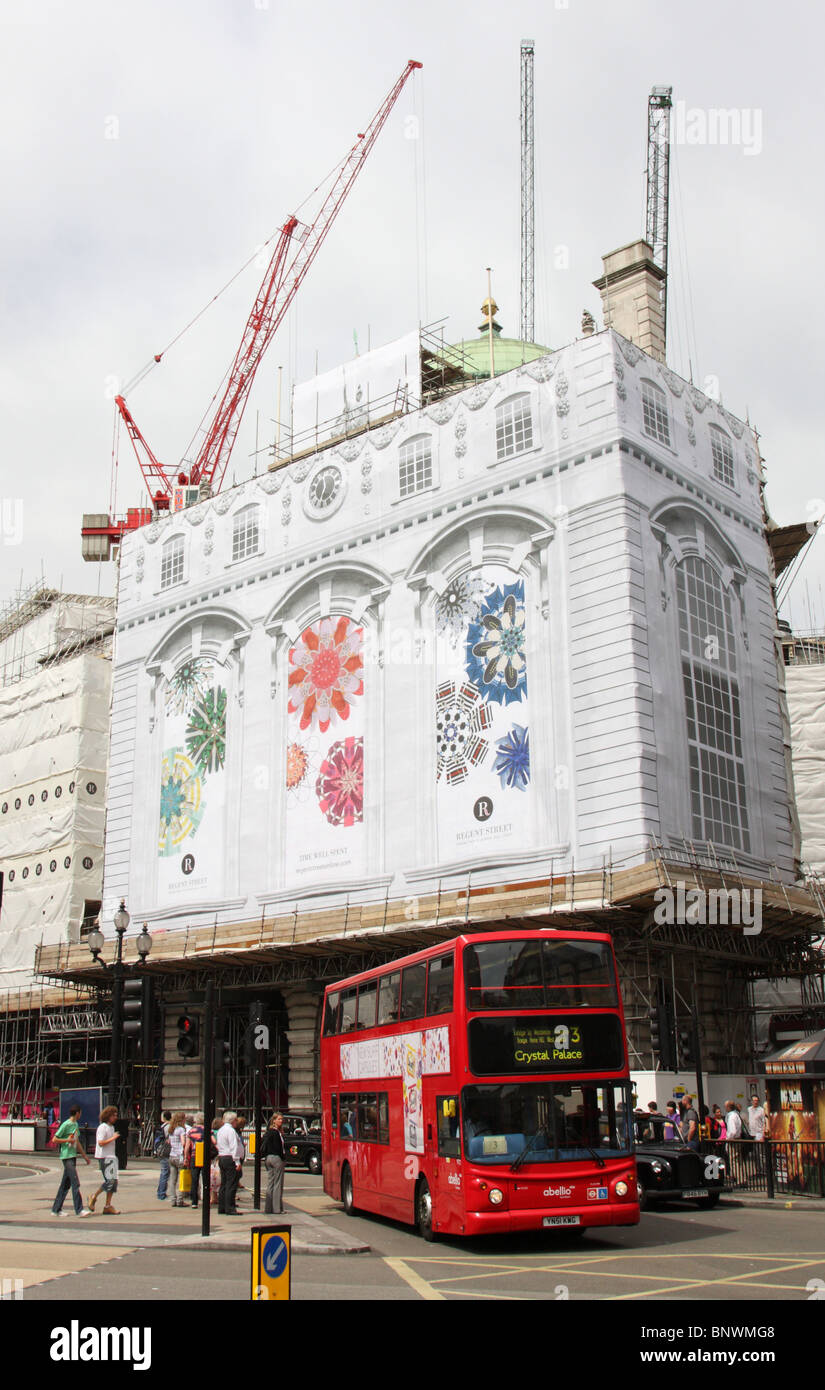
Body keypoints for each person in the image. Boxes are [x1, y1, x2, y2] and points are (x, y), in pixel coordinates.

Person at [51, 1105, 92, 1217]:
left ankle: (56, 1209)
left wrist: (84, 1156)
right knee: (75, 1182)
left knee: (66, 1184)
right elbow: (55, 1139)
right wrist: (67, 1140)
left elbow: (76, 1142)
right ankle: (79, 1210)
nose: (81, 1115)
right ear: (77, 1113)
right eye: (80, 1113)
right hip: (66, 1156)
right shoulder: (66, 1124)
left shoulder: (75, 1124)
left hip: (72, 1155)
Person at [88, 1105, 120, 1214]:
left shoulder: (111, 1127)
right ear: (108, 1116)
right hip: (104, 1156)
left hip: (111, 1156)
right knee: (110, 1181)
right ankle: (94, 1196)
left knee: (113, 1182)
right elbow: (100, 1143)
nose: (115, 1117)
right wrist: (113, 1138)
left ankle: (108, 1205)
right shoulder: (102, 1127)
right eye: (113, 1115)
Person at [217, 1111, 243, 1215]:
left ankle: (222, 1206)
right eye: (236, 1120)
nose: (237, 1122)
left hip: (222, 1157)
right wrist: (237, 1161)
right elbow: (234, 1146)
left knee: (224, 1183)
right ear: (233, 1120)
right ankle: (230, 1207)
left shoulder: (221, 1130)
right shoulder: (231, 1131)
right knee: (231, 1184)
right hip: (230, 1157)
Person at [261, 1112, 287, 1216]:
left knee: (270, 1182)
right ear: (274, 1120)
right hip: (276, 1158)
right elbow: (279, 1148)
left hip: (268, 1158)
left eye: (282, 1119)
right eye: (279, 1119)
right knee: (278, 1183)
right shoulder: (276, 1133)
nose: (281, 1121)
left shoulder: (268, 1132)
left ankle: (268, 1207)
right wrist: (283, 1158)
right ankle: (277, 1208)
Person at [167, 1111, 188, 1207]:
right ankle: (180, 1200)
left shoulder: (171, 1129)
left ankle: (172, 1199)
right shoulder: (181, 1130)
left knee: (172, 1179)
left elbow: (169, 1142)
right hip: (179, 1156)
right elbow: (183, 1143)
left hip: (172, 1155)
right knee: (181, 1178)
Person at [156, 1110, 172, 1201]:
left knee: (164, 1172)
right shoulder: (169, 1127)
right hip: (166, 1151)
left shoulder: (162, 1126)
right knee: (165, 1172)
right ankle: (161, 1194)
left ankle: (160, 1192)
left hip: (161, 1150)